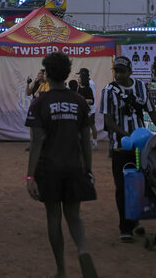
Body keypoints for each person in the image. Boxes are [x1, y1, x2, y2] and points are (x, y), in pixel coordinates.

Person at [25, 51, 98, 278]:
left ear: (46, 74)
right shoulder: (78, 102)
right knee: (74, 216)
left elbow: (37, 142)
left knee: (53, 217)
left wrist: (30, 176)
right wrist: (88, 169)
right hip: (74, 166)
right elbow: (85, 141)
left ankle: (61, 270)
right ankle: (83, 249)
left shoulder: (39, 103)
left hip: (49, 168)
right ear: (67, 73)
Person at [100, 55, 156, 242]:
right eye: (116, 71)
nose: (119, 75)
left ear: (130, 72)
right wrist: (126, 136)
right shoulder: (109, 91)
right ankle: (124, 226)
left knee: (141, 184)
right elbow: (108, 121)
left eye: (122, 71)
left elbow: (151, 111)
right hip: (121, 147)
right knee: (122, 186)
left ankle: (133, 219)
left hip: (141, 146)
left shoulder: (141, 88)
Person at [73, 67, 98, 148]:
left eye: (79, 75)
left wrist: (90, 108)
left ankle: (95, 143)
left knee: (91, 125)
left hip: (90, 109)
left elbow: (92, 99)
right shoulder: (80, 85)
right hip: (82, 109)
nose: (78, 77)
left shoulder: (91, 85)